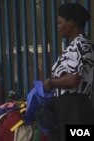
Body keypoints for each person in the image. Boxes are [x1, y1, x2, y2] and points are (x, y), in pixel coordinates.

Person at [43, 3, 94, 141]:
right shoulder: (74, 46)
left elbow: (73, 80)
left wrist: (51, 82)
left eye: (60, 22)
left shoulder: (81, 45)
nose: (58, 27)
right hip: (68, 109)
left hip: (76, 110)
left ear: (71, 22)